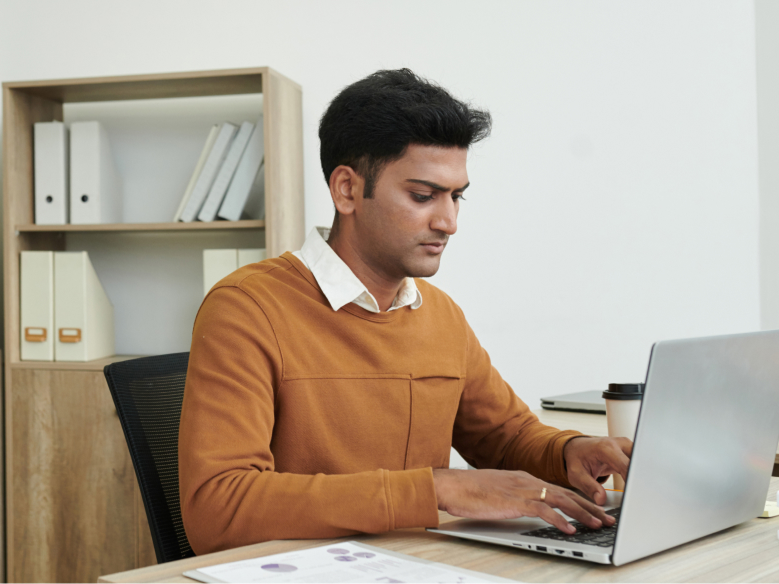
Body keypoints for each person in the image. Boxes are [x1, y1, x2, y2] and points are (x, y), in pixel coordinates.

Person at [179, 69, 632, 555]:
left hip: (421, 563)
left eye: (457, 196)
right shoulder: (247, 309)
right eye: (423, 196)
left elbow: (507, 437)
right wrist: (436, 489)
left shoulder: (439, 315)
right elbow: (217, 508)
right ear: (347, 191)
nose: (449, 222)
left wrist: (569, 452)